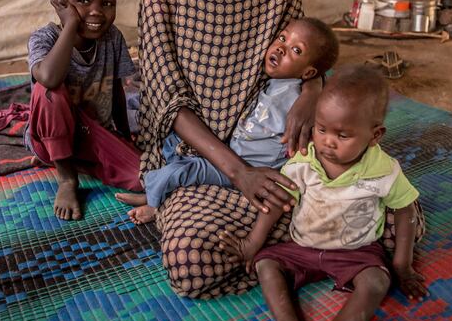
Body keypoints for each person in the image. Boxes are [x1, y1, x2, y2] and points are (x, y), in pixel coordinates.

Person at [136, 0, 324, 298]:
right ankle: (306, 246)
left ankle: (273, 243)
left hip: (273, 139)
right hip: (196, 151)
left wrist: (313, 92)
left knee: (377, 195)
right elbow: (166, 92)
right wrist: (239, 173)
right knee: (190, 263)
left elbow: (301, 53)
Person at [219, 65, 427, 321]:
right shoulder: (304, 161)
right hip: (301, 246)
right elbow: (279, 199)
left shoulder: (384, 170)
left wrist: (403, 264)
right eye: (321, 129)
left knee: (377, 280)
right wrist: (252, 243)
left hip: (357, 251)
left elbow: (405, 209)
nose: (328, 142)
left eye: (342, 135)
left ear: (375, 135)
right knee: (266, 264)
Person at [117, 17, 339, 224]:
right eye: (282, 38)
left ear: (309, 73)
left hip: (250, 166)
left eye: (296, 50)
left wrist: (315, 93)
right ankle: (156, 190)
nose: (281, 47)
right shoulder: (274, 80)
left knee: (180, 172)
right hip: (233, 153)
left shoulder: (297, 101)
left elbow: (319, 122)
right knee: (176, 147)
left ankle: (154, 205)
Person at [25, 0, 142, 221]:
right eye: (84, 1)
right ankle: (67, 178)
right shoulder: (44, 38)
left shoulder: (113, 38)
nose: (97, 11)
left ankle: (78, 161)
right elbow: (49, 78)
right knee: (48, 91)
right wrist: (70, 25)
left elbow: (117, 92)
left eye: (107, 3)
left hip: (92, 133)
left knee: (142, 177)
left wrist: (124, 137)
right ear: (63, 2)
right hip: (49, 138)